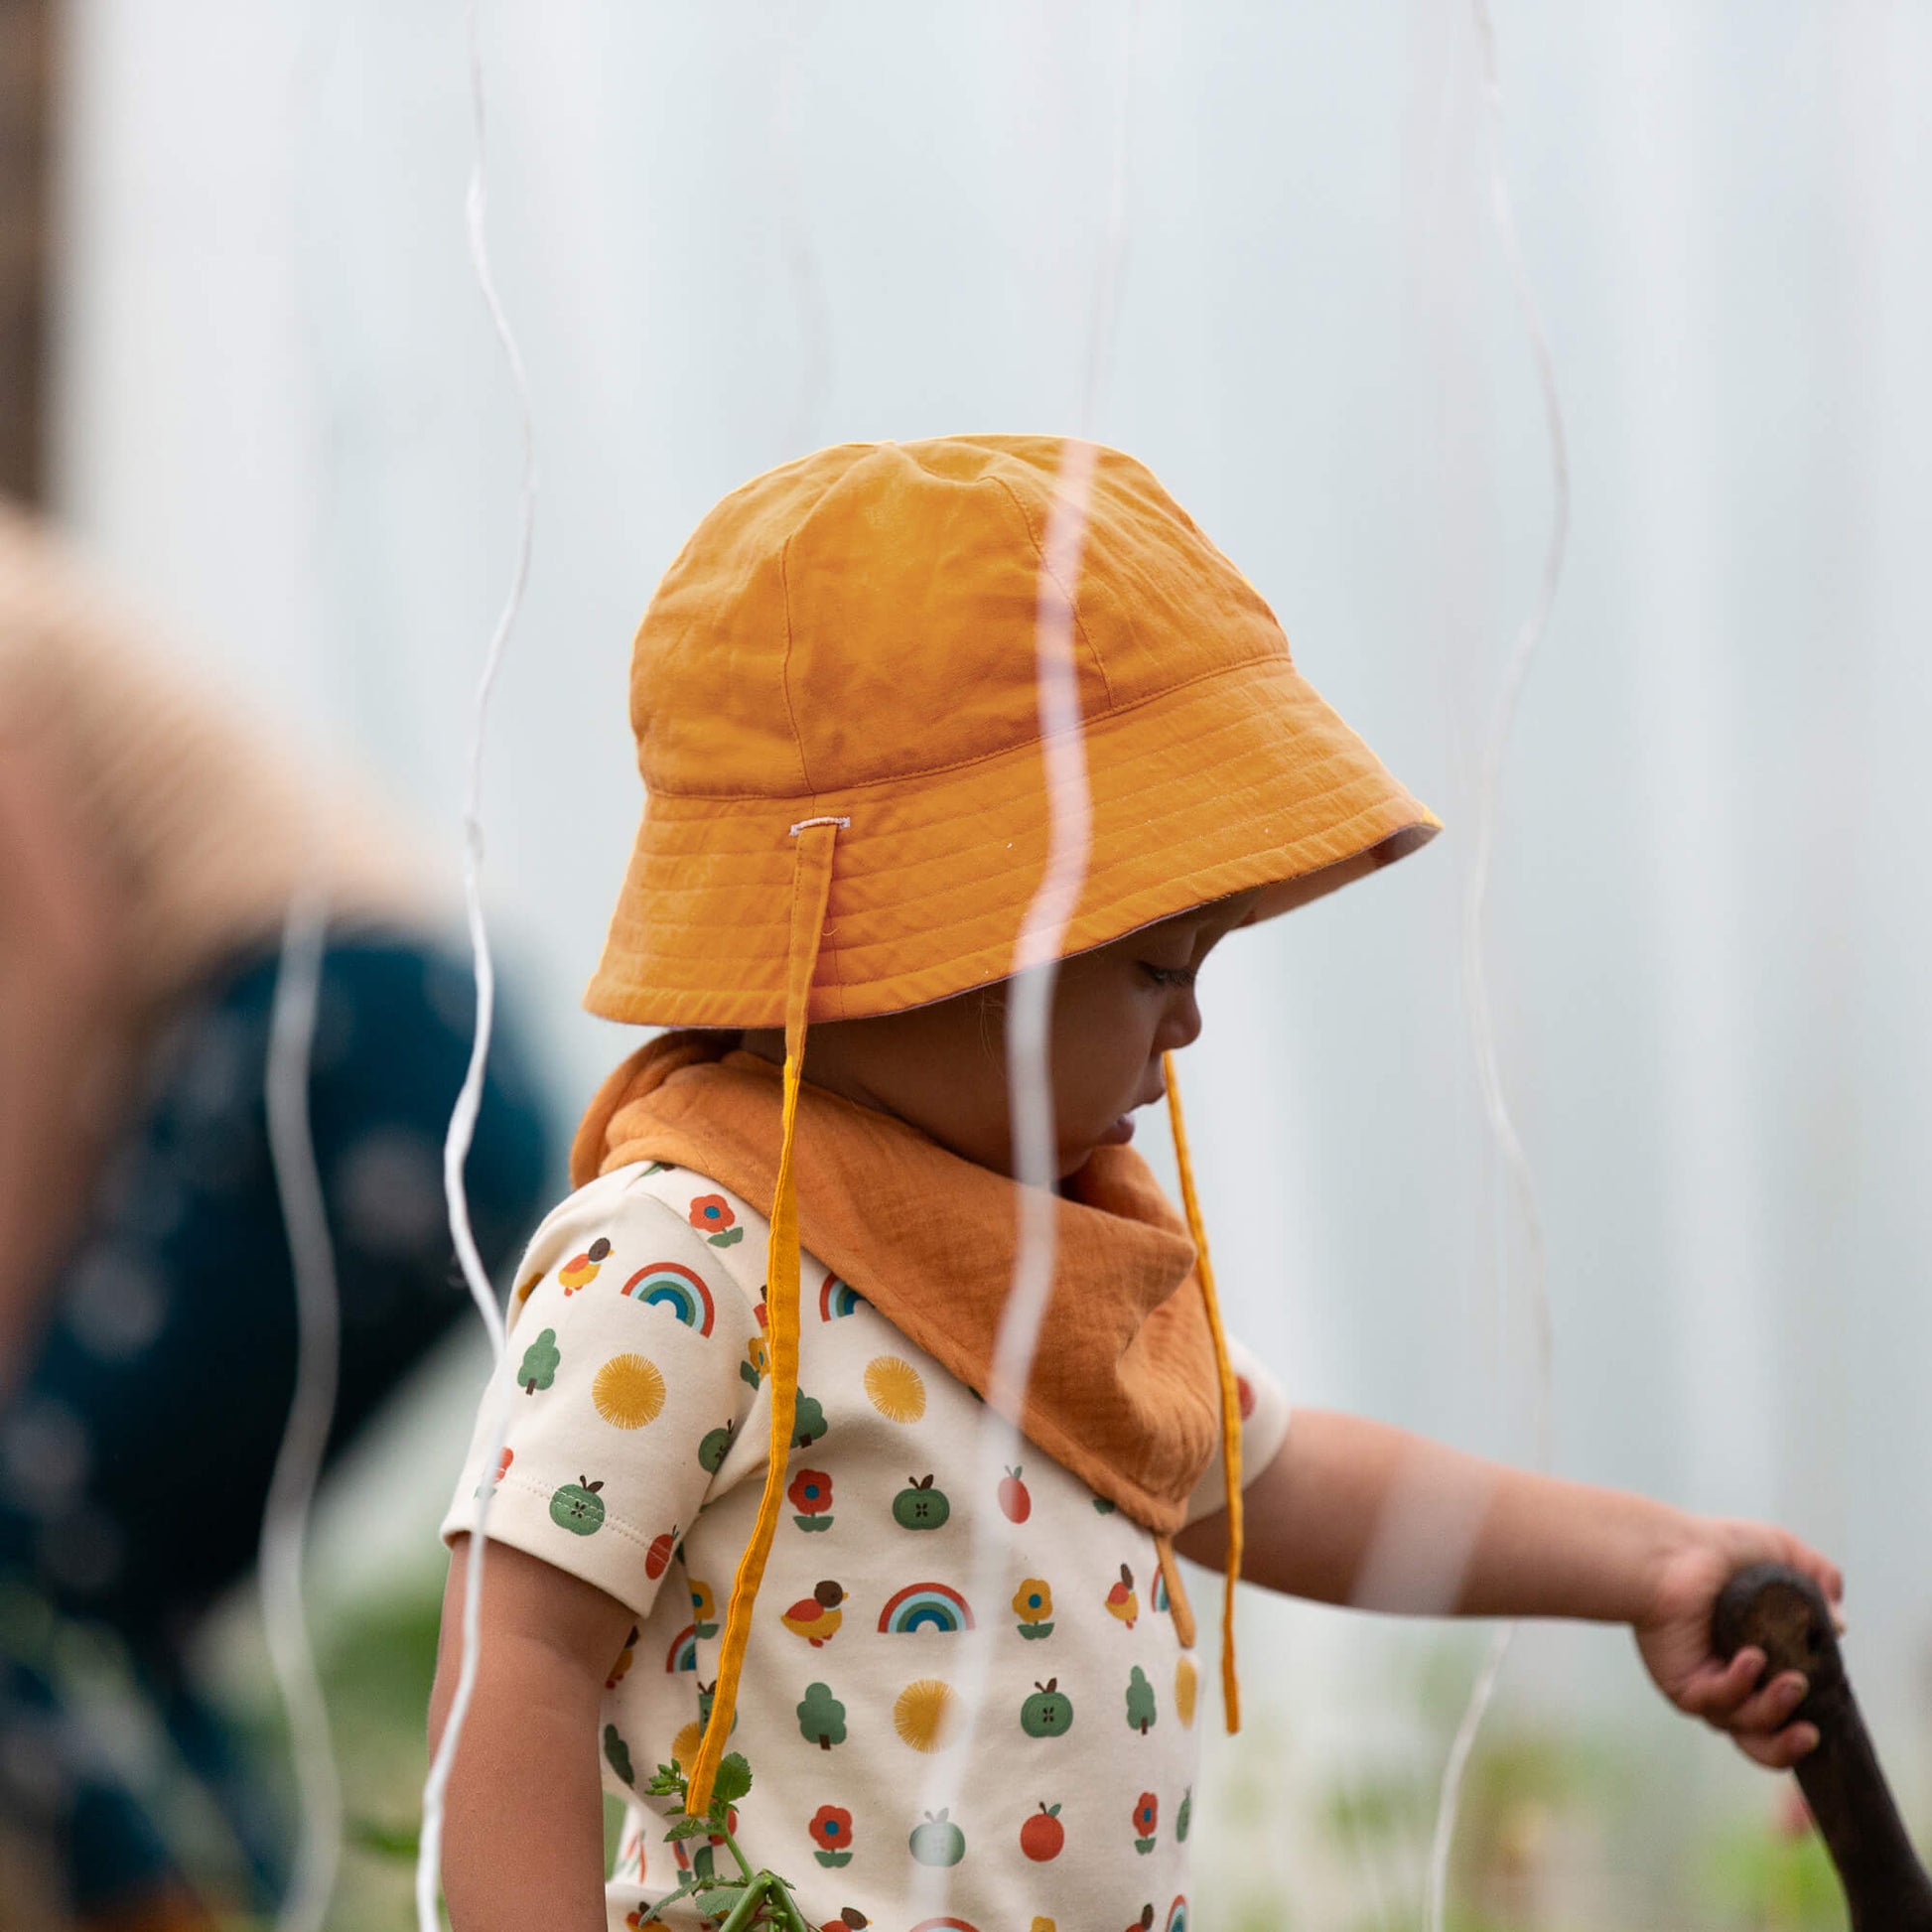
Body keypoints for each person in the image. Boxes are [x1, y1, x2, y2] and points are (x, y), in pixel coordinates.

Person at [429, 436, 1840, 1932]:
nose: (1188, 1022)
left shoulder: (1046, 1248)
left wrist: (1647, 1560)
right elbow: (513, 1659)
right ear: (925, 942)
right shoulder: (684, 1258)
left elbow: (1269, 1476)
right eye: (1157, 964)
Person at [0, 504, 555, 1929]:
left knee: (23, 1549)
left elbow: (62, 956)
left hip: (332, 1043)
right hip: (441, 1061)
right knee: (115, 1584)